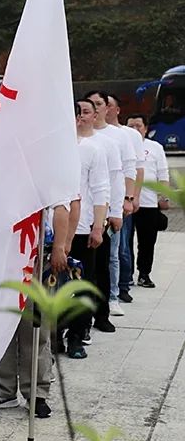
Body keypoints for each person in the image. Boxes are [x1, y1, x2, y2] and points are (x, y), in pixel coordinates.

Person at [0, 203, 70, 418]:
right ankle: (4, 390)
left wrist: (59, 247)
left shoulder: (44, 180)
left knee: (36, 329)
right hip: (3, 257)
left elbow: (62, 207)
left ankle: (36, 392)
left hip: (36, 258)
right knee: (3, 328)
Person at [63, 99, 110, 359]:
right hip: (48, 233)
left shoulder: (91, 149)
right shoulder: (42, 150)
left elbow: (101, 189)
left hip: (81, 230)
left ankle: (76, 336)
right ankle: (53, 336)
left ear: (77, 117)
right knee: (52, 287)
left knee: (80, 286)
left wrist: (98, 226)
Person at [85, 91, 133, 325]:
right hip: (79, 215)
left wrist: (117, 210)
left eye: (97, 105)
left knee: (106, 261)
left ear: (105, 108)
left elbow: (117, 178)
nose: (92, 111)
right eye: (86, 108)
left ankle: (106, 307)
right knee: (84, 269)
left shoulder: (113, 140)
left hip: (103, 213)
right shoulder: (74, 140)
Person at [106, 95, 145, 301]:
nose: (104, 109)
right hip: (100, 200)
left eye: (108, 105)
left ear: (117, 110)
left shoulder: (128, 135)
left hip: (121, 198)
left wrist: (133, 196)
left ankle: (123, 285)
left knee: (122, 246)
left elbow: (137, 168)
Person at [130, 114, 170, 288]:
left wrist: (164, 197)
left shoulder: (155, 148)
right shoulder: (122, 145)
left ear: (146, 128)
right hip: (126, 203)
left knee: (147, 241)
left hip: (148, 203)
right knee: (124, 244)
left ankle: (144, 273)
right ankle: (126, 275)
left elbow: (163, 174)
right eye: (130, 126)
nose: (134, 130)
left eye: (138, 126)